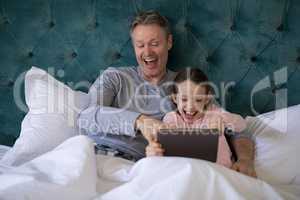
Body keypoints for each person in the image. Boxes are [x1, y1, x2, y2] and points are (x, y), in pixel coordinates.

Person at [78, 10, 256, 177]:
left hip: (143, 167)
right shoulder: (114, 77)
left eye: (155, 44)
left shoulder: (186, 87)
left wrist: (245, 160)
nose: (147, 52)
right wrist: (140, 121)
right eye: (140, 45)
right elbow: (85, 116)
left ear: (169, 42)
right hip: (95, 155)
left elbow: (236, 130)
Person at [146, 68, 248, 169]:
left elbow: (242, 125)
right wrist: (155, 151)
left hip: (220, 171)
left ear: (207, 99)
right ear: (175, 98)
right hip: (188, 171)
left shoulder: (215, 113)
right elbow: (165, 156)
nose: (190, 107)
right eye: (184, 99)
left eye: (198, 100)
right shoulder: (172, 119)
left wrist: (224, 119)